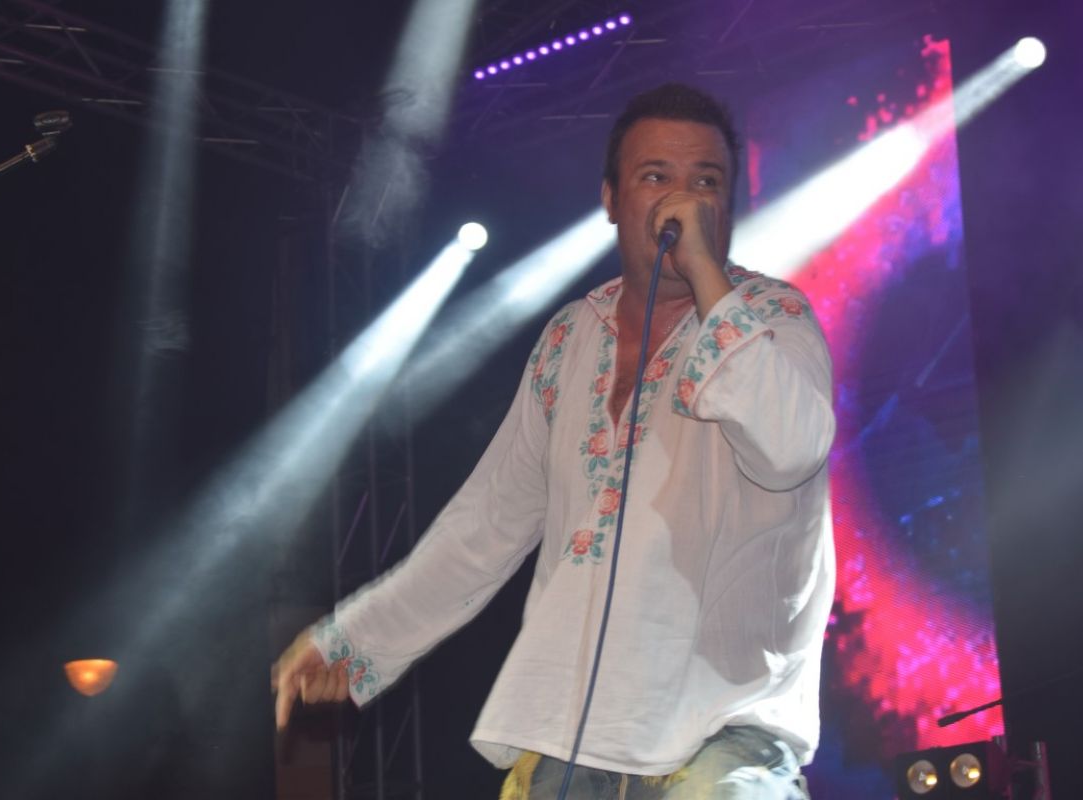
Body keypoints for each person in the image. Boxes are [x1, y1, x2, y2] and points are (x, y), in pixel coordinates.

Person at [274, 83, 836, 799]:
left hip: (725, 730)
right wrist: (353, 639)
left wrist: (705, 274)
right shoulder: (571, 338)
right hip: (570, 736)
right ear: (611, 199)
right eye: (655, 176)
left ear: (729, 205)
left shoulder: (773, 320)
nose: (681, 200)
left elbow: (792, 448)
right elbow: (486, 525)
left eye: (706, 182)